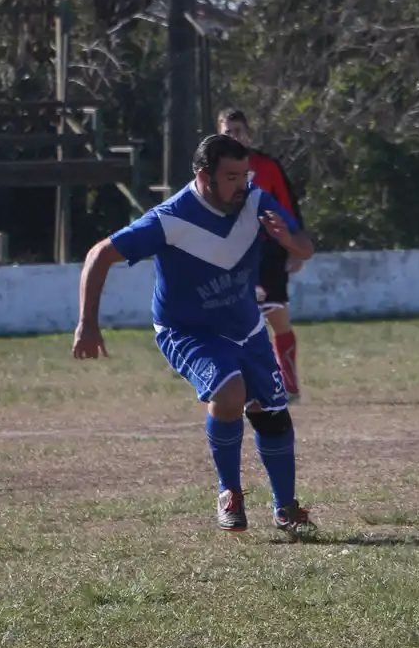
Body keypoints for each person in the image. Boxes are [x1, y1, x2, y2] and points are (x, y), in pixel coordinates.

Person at [72, 133, 318, 537]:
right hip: (187, 331)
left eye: (245, 175)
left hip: (246, 326)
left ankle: (286, 509)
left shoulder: (255, 200)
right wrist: (87, 323)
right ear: (204, 177)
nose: (242, 185)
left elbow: (306, 246)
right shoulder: (170, 219)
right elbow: (100, 254)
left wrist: (290, 241)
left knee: (272, 413)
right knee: (230, 393)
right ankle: (229, 494)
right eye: (232, 177)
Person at [216, 108, 306, 403]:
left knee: (276, 316)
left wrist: (295, 249)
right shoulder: (209, 171)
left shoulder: (267, 167)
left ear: (249, 134)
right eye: (228, 132)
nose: (234, 137)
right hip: (230, 253)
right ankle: (240, 384)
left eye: (239, 131)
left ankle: (289, 385)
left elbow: (288, 208)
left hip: (268, 251)